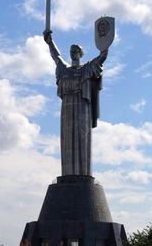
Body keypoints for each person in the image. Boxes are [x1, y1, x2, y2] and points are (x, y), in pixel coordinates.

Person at [43, 29, 108, 177]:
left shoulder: (86, 68)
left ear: (81, 53)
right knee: (67, 139)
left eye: (76, 51)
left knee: (81, 137)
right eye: (72, 50)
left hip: (82, 106)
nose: (73, 53)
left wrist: (105, 47)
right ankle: (68, 174)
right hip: (66, 107)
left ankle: (83, 174)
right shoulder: (64, 70)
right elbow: (55, 56)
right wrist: (50, 42)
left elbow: (101, 58)